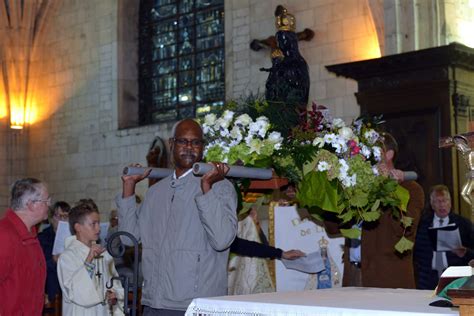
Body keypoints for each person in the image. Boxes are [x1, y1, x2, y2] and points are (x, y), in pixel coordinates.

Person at [117, 118, 237, 315]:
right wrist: (129, 188)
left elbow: (222, 240)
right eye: (183, 141)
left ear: (202, 147)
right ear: (172, 145)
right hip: (154, 301)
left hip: (195, 304)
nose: (189, 147)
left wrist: (206, 189)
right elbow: (127, 237)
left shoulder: (221, 188)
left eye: (196, 142)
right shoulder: (156, 192)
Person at [325, 132, 424, 288]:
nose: (366, 153)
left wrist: (390, 188)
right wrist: (333, 190)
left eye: (373, 149)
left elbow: (405, 229)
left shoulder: (411, 189)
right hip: (353, 274)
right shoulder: (358, 185)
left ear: (389, 154)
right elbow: (332, 227)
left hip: (387, 279)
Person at [57, 202, 124, 315]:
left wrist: (114, 295)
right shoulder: (67, 257)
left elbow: (115, 284)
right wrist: (89, 260)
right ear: (78, 227)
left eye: (98, 223)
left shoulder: (105, 255)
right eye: (93, 224)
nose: (98, 228)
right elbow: (74, 292)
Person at [0, 178, 49, 315]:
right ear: (31, 204)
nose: (49, 205)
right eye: (46, 201)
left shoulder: (30, 234)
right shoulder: (4, 235)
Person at [414, 184, 474, 289]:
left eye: (445, 200)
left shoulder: (464, 224)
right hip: (426, 279)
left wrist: (465, 252)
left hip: (455, 278)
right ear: (432, 205)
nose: (442, 205)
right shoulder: (422, 224)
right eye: (437, 201)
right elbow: (416, 251)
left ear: (450, 202)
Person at [38, 200, 71, 304]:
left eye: (65, 216)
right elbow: (39, 266)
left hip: (70, 285)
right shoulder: (42, 238)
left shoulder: (73, 237)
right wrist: (53, 260)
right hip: (51, 286)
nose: (62, 219)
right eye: (58, 216)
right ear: (52, 218)